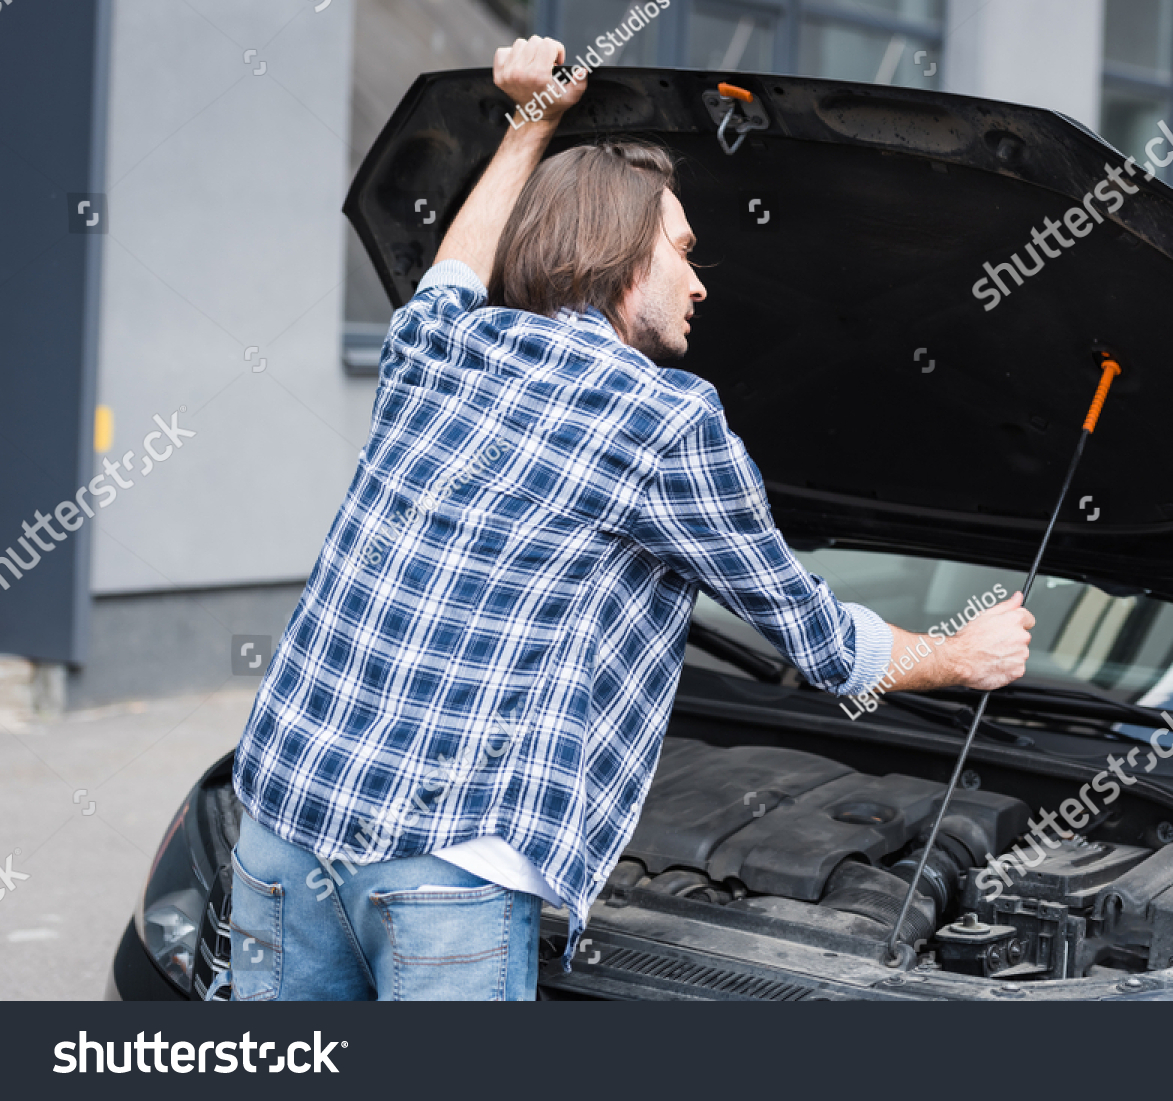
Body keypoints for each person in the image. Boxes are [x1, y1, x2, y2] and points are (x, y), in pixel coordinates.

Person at [224, 37, 1035, 1001]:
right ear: (616, 250)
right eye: (684, 252)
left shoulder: (440, 344)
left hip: (282, 820)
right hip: (440, 872)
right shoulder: (662, 421)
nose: (701, 283)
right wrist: (961, 654)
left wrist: (532, 122)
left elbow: (454, 265)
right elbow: (818, 642)